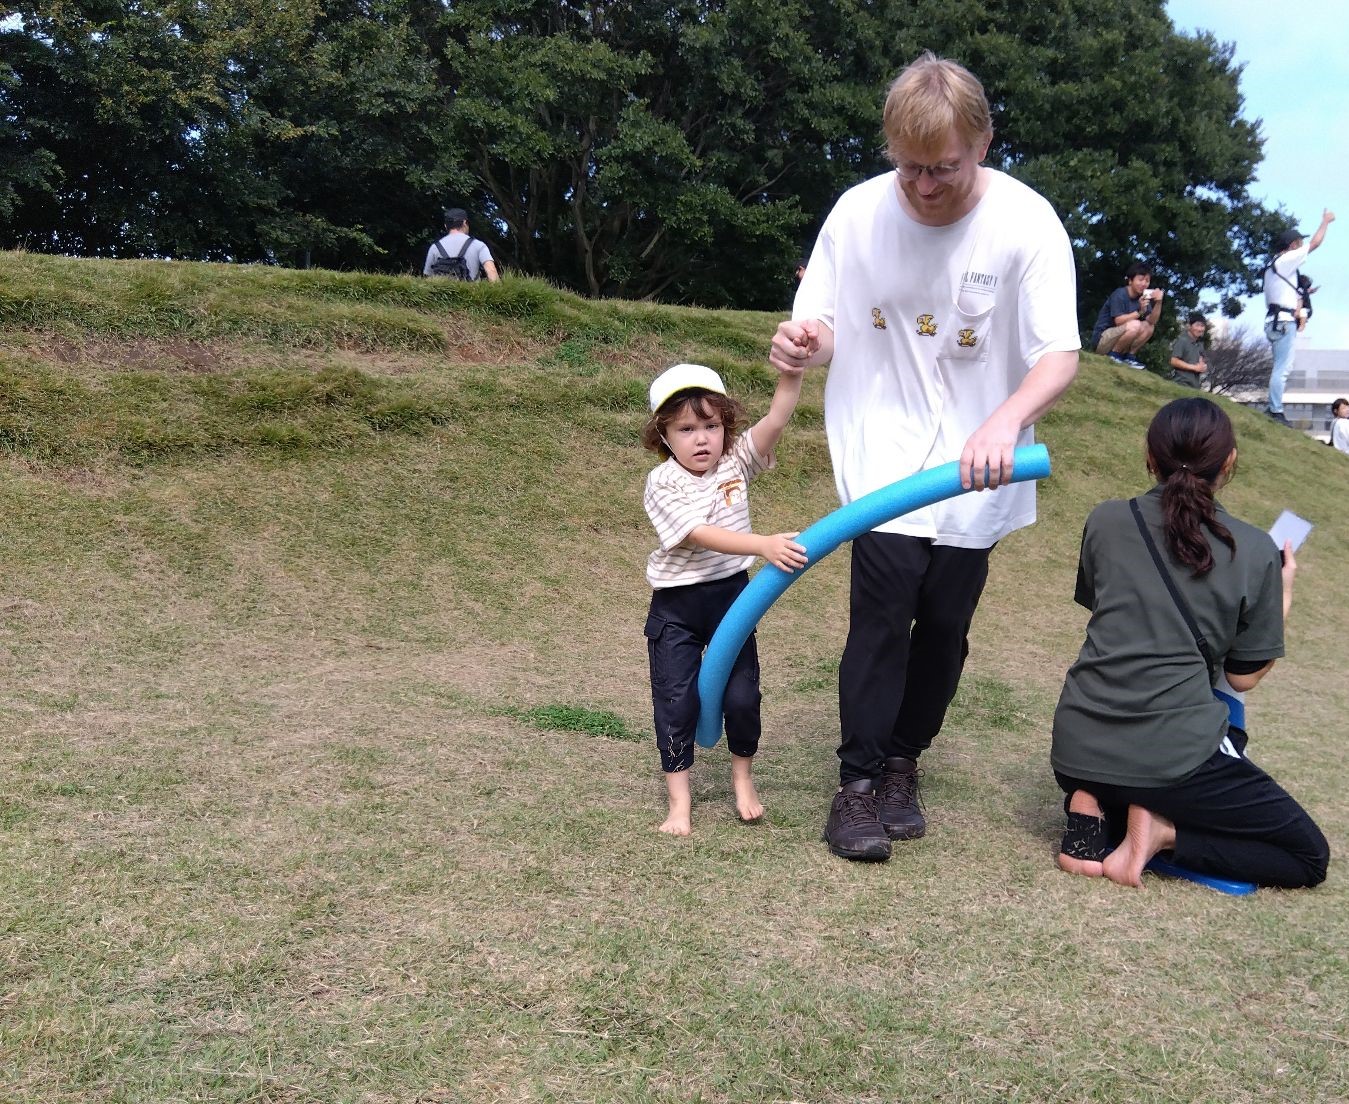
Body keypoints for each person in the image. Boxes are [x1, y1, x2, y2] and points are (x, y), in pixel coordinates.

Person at [770, 52, 1080, 862]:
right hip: (883, 450)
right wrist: (805, 342)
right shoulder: (856, 213)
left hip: (981, 459)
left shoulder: (1026, 222)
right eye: (908, 168)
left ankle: (905, 761)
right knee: (880, 618)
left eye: (942, 168)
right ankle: (858, 787)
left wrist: (1006, 422)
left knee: (943, 627)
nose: (924, 187)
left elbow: (1059, 354)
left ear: (981, 143)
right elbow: (825, 326)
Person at [1051, 397, 1328, 889]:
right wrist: (1280, 594)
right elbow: (1242, 674)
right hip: (1170, 757)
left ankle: (1091, 804)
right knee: (1307, 857)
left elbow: (1111, 610)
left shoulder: (1106, 520)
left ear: (1149, 456)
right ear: (1229, 462)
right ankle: (1161, 831)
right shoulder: (1254, 548)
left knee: (1162, 761)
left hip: (1077, 744)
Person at [641, 361, 806, 836]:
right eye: (686, 428)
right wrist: (763, 545)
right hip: (677, 607)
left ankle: (742, 780)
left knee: (741, 695)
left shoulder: (736, 459)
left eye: (711, 425)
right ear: (665, 435)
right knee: (676, 701)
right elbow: (698, 534)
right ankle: (679, 802)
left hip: (734, 601)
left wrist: (791, 373)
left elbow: (776, 419)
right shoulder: (663, 482)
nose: (701, 439)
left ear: (726, 426)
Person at [1264, 211, 1333, 425]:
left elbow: (1281, 291)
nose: (1301, 244)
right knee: (1282, 368)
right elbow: (1315, 243)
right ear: (1292, 244)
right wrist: (1325, 222)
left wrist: (1305, 293)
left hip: (1274, 320)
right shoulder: (1286, 259)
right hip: (1284, 322)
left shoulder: (1272, 265)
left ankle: (1273, 407)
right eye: (1298, 242)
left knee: (1279, 366)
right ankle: (1275, 410)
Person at [1090, 262, 1164, 368]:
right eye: (1140, 279)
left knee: (1149, 327)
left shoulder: (1144, 297)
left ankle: (1129, 357)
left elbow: (1152, 321)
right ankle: (1113, 355)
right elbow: (1118, 321)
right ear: (1130, 281)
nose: (1144, 284)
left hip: (1120, 338)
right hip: (1102, 340)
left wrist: (1158, 302)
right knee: (1135, 324)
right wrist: (1139, 311)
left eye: (1147, 281)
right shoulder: (1120, 294)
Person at [422, 207, 499, 281]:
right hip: (472, 293)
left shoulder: (434, 247)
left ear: (446, 226)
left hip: (441, 294)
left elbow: (428, 278)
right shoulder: (478, 245)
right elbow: (491, 271)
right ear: (465, 222)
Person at [1168, 313, 1208, 389]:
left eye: (1202, 326)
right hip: (1181, 383)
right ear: (1189, 326)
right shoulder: (1182, 340)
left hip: (1195, 386)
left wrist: (1203, 367)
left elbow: (1202, 363)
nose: (1200, 329)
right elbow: (1174, 361)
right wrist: (1194, 367)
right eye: (1197, 325)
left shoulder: (1200, 345)